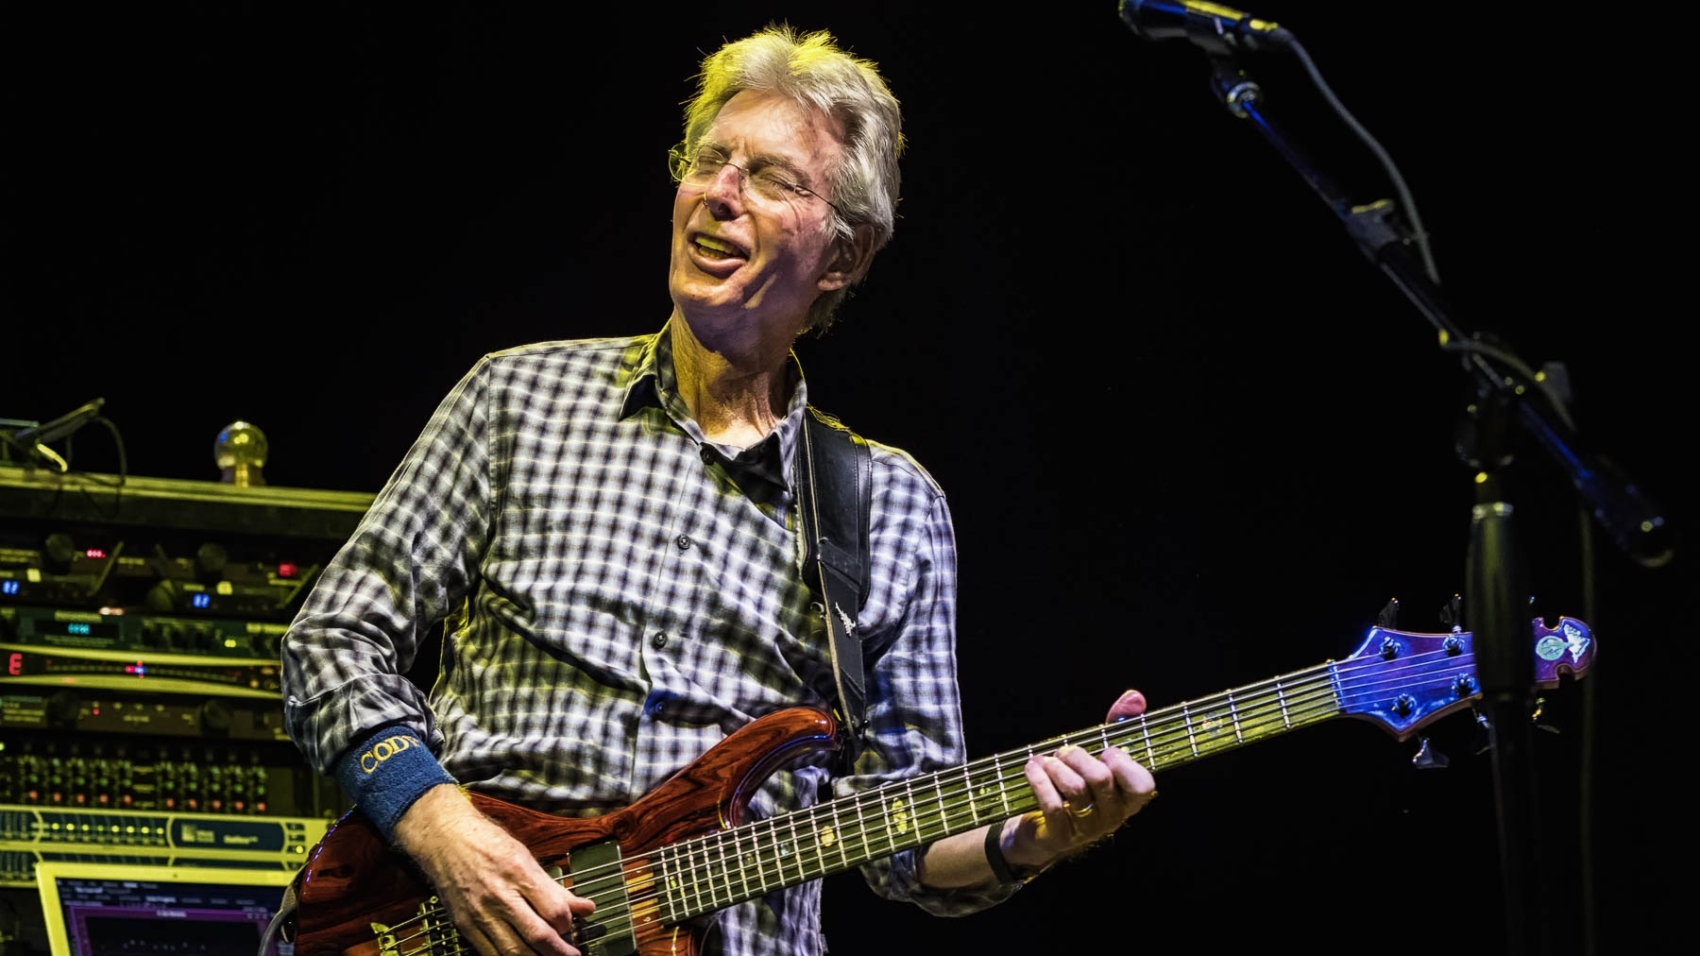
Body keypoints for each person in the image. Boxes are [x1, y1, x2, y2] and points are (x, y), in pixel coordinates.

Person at [279, 22, 1158, 956]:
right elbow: (334, 638)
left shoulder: (891, 506)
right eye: (708, 161)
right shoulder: (515, 397)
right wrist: (439, 827)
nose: (720, 195)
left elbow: (905, 841)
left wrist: (1035, 839)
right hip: (447, 921)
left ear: (844, 256)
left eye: (773, 177)